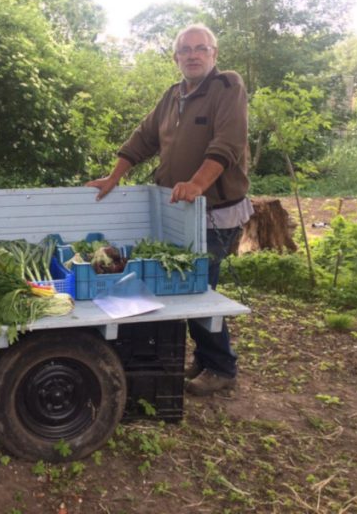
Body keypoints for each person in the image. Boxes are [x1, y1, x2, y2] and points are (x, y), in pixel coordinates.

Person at [86, 23, 253, 396]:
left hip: (213, 212)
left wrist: (197, 183)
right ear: (176, 57)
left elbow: (228, 144)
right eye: (185, 50)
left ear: (214, 54)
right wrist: (114, 177)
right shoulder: (173, 95)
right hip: (177, 210)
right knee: (185, 287)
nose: (193, 55)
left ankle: (221, 367)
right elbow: (143, 138)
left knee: (197, 290)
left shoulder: (228, 87)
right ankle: (207, 357)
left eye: (201, 48)